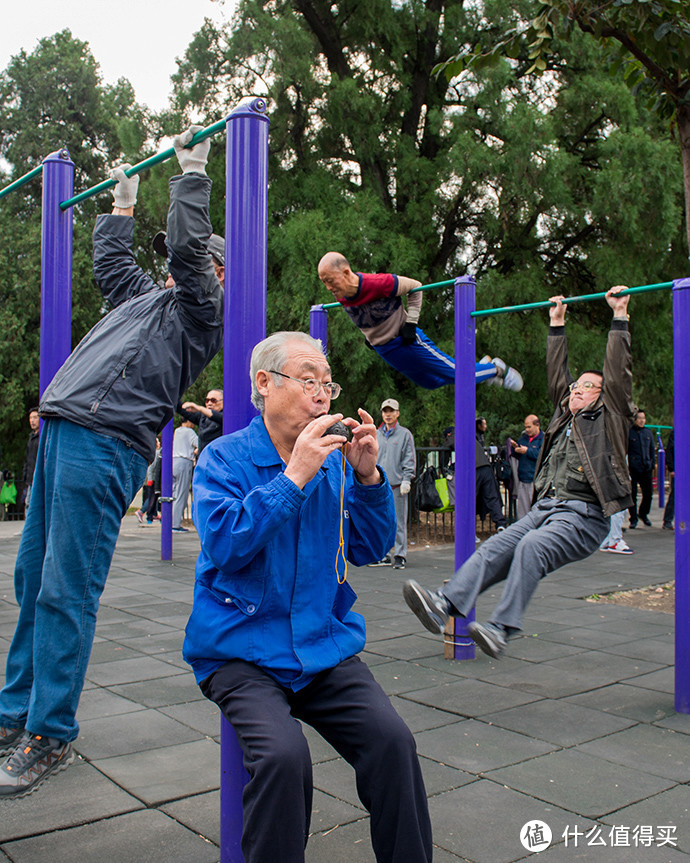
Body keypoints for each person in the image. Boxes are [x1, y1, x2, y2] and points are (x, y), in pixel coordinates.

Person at [0, 125, 224, 797]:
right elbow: (110, 266)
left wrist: (190, 177)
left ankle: (52, 730)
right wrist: (121, 211)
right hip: (67, 427)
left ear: (216, 271)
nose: (170, 264)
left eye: (187, 260)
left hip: (107, 441)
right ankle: (14, 712)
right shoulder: (143, 299)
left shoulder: (201, 310)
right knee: (31, 578)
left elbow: (187, 250)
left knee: (66, 588)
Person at [183, 331, 432, 863]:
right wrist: (295, 475)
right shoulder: (223, 459)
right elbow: (226, 545)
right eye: (308, 380)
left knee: (393, 744)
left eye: (327, 383)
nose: (322, 394)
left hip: (320, 646)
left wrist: (368, 478)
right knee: (283, 757)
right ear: (264, 384)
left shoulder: (335, 463)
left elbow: (367, 549)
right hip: (240, 651)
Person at [402, 286, 635, 659]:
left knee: (531, 548)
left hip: (585, 516)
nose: (576, 389)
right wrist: (556, 324)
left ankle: (501, 628)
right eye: (577, 385)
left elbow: (618, 375)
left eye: (588, 386)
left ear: (602, 396)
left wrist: (619, 316)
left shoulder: (611, 418)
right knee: (496, 546)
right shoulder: (564, 416)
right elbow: (559, 376)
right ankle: (444, 602)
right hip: (547, 510)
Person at [317, 252, 523, 391]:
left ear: (345, 272)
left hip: (406, 340)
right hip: (385, 350)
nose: (328, 287)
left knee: (456, 373)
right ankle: (481, 367)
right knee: (429, 382)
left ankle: (496, 369)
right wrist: (370, 335)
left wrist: (411, 323)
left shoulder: (379, 283)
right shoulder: (340, 294)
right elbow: (361, 313)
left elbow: (415, 287)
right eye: (324, 282)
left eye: (330, 280)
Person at [368, 398, 415, 569]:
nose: (388, 414)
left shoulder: (405, 434)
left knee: (399, 521)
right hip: (380, 485)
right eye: (385, 411)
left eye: (391, 411)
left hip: (396, 485)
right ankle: (384, 554)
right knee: (381, 521)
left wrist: (407, 479)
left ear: (397, 413)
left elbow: (409, 458)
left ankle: (400, 555)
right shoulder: (377, 434)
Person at [475, 417, 508, 531]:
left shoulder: (460, 434)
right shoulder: (477, 437)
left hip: (474, 468)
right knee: (492, 496)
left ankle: (468, 528)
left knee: (469, 498)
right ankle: (500, 523)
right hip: (485, 467)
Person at [510, 414, 544, 519]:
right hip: (523, 479)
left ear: (537, 425)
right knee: (522, 512)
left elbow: (542, 455)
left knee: (536, 511)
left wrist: (527, 451)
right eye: (525, 427)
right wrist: (515, 449)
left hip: (535, 481)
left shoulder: (543, 439)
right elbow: (517, 455)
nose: (527, 430)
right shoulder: (523, 439)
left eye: (529, 427)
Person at [627, 410, 655, 528]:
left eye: (644, 418)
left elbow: (651, 450)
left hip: (646, 467)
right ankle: (633, 518)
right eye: (640, 418)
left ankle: (643, 514)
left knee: (648, 494)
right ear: (635, 419)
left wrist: (652, 464)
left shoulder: (648, 433)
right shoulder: (630, 433)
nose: (642, 420)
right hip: (633, 468)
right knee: (632, 495)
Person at [177, 389, 223, 453]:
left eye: (213, 400)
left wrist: (199, 408)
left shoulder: (227, 418)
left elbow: (218, 417)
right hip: (203, 458)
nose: (209, 403)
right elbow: (182, 409)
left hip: (218, 459)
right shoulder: (202, 417)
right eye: (207, 401)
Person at [172, 419, 198, 532]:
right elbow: (198, 443)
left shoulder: (177, 431)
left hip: (174, 460)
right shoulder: (189, 432)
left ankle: (169, 520)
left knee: (174, 493)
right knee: (182, 493)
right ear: (188, 421)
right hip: (184, 461)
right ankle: (175, 523)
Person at [20, 407, 40, 512]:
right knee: (28, 503)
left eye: (35, 417)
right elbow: (28, 459)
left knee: (32, 505)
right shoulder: (31, 437)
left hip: (38, 477)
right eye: (30, 418)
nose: (32, 421)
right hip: (30, 478)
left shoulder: (41, 437)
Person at [663, 429, 674, 530]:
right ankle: (667, 520)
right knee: (675, 495)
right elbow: (670, 450)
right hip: (680, 469)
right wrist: (671, 468)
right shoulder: (677, 432)